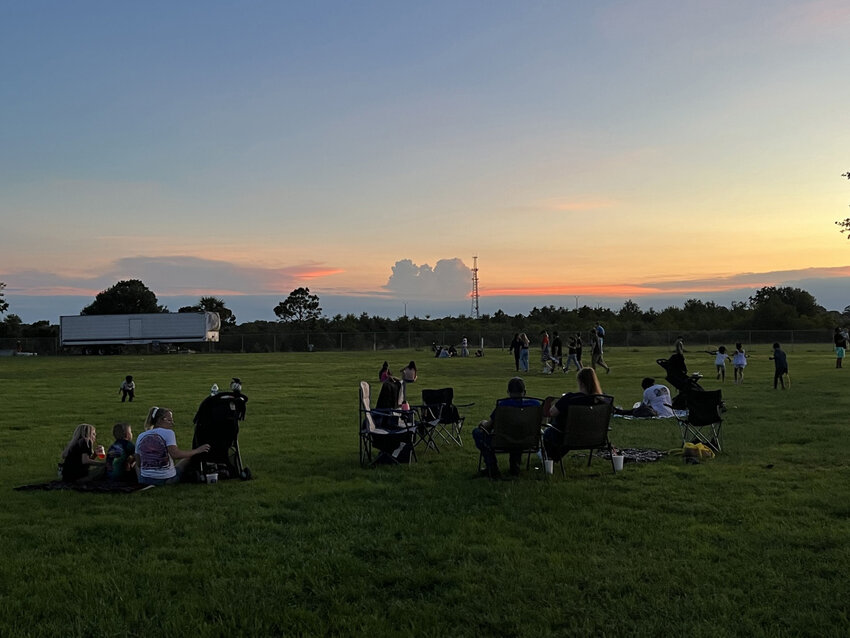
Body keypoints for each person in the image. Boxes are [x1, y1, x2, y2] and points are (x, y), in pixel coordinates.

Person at [472, 377, 541, 478]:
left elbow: (488, 426)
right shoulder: (535, 405)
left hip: (503, 441)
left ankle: (492, 467)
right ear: (524, 392)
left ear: (508, 392)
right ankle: (515, 465)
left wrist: (483, 423)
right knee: (518, 432)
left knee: (477, 432)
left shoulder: (503, 405)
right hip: (527, 441)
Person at [543, 368, 608, 461]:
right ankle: (554, 457)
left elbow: (552, 412)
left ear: (580, 382)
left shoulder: (571, 398)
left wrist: (560, 402)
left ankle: (551, 458)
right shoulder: (602, 400)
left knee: (549, 432)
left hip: (569, 437)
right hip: (594, 438)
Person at [136, 407, 210, 486]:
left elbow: (139, 463)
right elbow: (176, 455)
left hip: (144, 480)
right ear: (160, 420)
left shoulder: (141, 436)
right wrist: (197, 450)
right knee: (188, 458)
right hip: (166, 480)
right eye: (169, 420)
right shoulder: (168, 433)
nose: (172, 423)